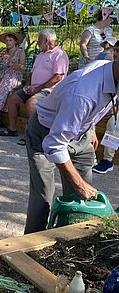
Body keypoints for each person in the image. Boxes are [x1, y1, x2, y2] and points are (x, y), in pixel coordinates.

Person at [24, 60, 119, 234]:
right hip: (46, 133)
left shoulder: (107, 68)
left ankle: (71, 242)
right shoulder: (83, 94)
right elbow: (54, 145)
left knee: (82, 202)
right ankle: (28, 245)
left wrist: (91, 128)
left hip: (79, 132)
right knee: (43, 194)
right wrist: (80, 185)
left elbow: (89, 107)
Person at [0, 29, 69, 143]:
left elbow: (58, 77)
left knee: (31, 103)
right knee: (12, 99)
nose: (37, 42)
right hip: (34, 87)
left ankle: (32, 136)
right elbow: (32, 72)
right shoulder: (41, 54)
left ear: (46, 40)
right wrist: (27, 86)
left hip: (50, 90)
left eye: (39, 40)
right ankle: (12, 129)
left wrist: (37, 88)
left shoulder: (59, 54)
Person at [92, 41, 119, 174]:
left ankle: (108, 160)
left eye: (117, 51)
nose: (115, 54)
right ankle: (88, 154)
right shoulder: (109, 65)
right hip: (113, 103)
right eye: (115, 51)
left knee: (114, 123)